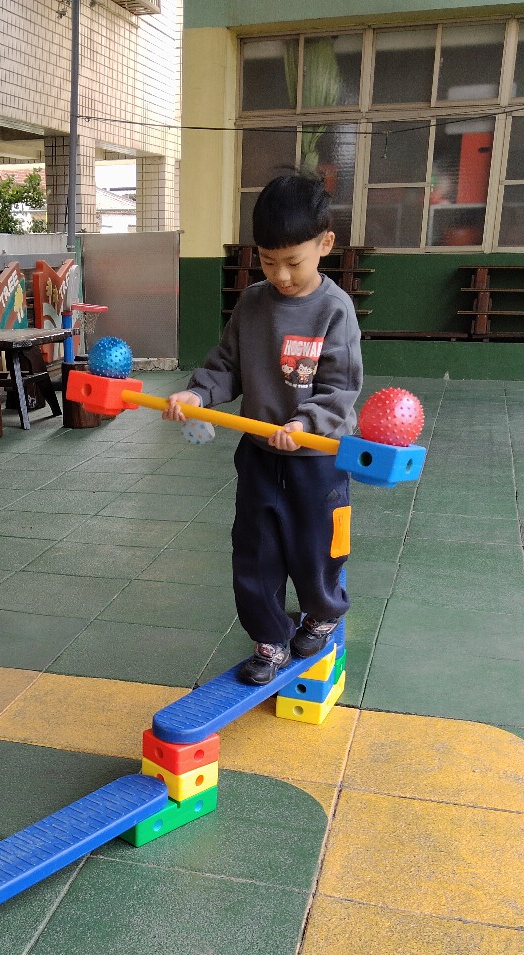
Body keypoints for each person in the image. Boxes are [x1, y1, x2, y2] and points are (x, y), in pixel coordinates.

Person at [164, 170, 362, 684]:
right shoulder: (253, 303)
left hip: (317, 461)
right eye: (269, 261)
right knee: (255, 551)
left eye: (293, 261)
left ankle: (321, 613)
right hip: (259, 455)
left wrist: (304, 422)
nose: (281, 275)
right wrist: (197, 394)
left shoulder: (334, 310)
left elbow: (340, 388)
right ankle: (270, 638)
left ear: (325, 244)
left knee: (317, 548)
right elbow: (226, 364)